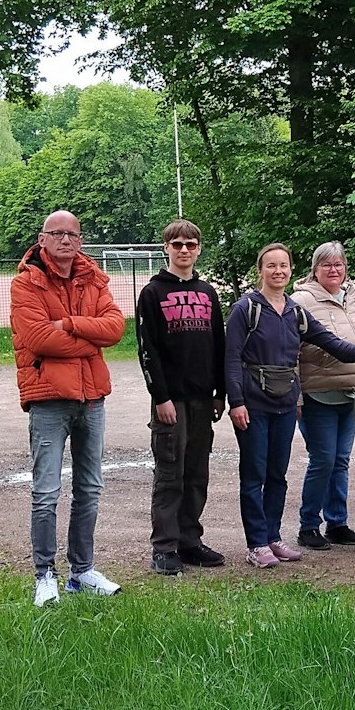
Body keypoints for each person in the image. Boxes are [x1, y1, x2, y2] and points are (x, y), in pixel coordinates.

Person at [226, 243, 355, 568]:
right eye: (271, 266)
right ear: (260, 270)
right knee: (254, 475)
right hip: (253, 404)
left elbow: (332, 344)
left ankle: (274, 538)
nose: (278, 271)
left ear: (291, 270)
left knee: (277, 475)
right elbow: (232, 358)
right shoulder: (245, 309)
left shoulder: (295, 312)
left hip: (284, 406)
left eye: (283, 265)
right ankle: (256, 544)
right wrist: (236, 401)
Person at [11, 210, 126, 605]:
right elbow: (39, 338)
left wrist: (70, 325)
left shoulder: (93, 277)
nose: (64, 240)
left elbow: (115, 327)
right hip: (48, 400)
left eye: (72, 234)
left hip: (92, 398)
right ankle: (44, 574)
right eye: (56, 233)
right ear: (42, 239)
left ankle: (82, 570)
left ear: (80, 241)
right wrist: (90, 338)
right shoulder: (26, 283)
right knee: (45, 492)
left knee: (89, 489)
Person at [135, 218, 226, 575]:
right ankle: (164, 547)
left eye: (190, 244)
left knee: (196, 473)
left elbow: (219, 344)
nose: (184, 250)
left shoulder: (207, 292)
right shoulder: (152, 293)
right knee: (170, 473)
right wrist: (161, 397)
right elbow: (148, 350)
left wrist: (221, 392)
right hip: (170, 400)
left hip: (204, 398)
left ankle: (190, 541)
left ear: (199, 249)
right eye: (177, 245)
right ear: (166, 249)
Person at [290, 242, 355, 551]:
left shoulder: (353, 298)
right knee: (323, 459)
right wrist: (297, 394)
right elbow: (292, 351)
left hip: (352, 391)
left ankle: (337, 523)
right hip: (318, 392)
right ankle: (308, 525)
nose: (333, 270)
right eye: (326, 265)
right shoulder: (301, 301)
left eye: (338, 264)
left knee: (340, 461)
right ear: (315, 269)